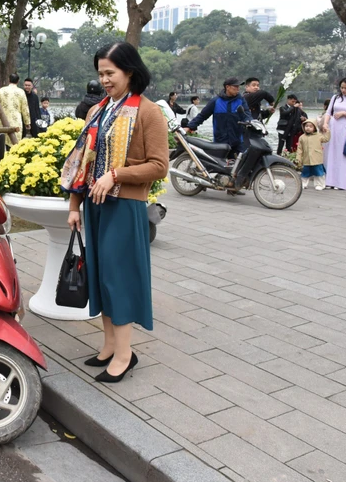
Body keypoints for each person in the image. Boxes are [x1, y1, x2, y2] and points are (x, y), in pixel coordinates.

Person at [62, 42, 168, 384]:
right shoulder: (99, 110)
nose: (104, 80)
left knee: (118, 279)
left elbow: (159, 166)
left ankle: (125, 354)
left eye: (110, 73)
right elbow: (83, 161)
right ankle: (109, 346)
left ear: (130, 72)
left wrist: (116, 174)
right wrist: (74, 205)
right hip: (95, 204)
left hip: (125, 206)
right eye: (100, 74)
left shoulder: (149, 113)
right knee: (101, 276)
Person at [182, 78, 253, 154]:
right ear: (227, 87)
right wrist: (189, 127)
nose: (238, 89)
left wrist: (249, 121)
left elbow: (247, 114)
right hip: (220, 142)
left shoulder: (241, 100)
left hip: (237, 141)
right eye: (235, 87)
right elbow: (202, 116)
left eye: (238, 87)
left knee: (240, 164)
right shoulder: (216, 101)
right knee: (218, 165)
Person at [295, 119, 330, 190]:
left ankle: (320, 184)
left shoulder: (318, 135)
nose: (308, 128)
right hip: (306, 158)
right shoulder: (302, 137)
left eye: (310, 126)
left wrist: (327, 131)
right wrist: (298, 157)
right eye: (306, 126)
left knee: (319, 173)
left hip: (316, 158)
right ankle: (303, 184)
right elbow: (300, 149)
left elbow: (326, 139)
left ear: (314, 128)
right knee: (305, 173)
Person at [0, 73, 30, 143]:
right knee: (15, 143)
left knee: (3, 142)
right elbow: (25, 108)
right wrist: (27, 122)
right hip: (16, 121)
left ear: (8, 80)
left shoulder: (2, 90)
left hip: (3, 120)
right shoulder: (21, 92)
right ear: (18, 81)